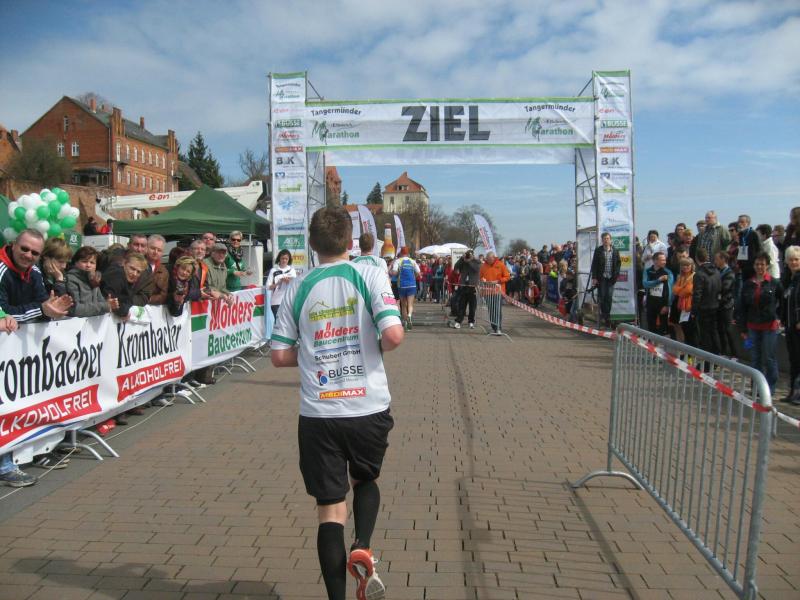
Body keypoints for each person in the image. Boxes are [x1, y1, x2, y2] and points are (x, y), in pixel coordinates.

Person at [271, 206, 403, 600]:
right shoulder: (370, 274)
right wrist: (368, 346)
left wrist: (315, 354)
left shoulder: (298, 286)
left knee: (329, 510)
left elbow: (279, 356)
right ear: (350, 241)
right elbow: (393, 335)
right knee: (365, 480)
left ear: (311, 244)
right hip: (367, 407)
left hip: (318, 413)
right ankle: (362, 544)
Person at [0, 229, 73, 322]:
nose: (28, 255)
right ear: (13, 245)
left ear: (40, 255)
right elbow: (2, 314)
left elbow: (44, 304)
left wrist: (50, 310)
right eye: (24, 249)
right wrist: (41, 310)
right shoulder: (1, 270)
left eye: (35, 253)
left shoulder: (35, 271)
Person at [738, 252, 783, 395]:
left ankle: (770, 389)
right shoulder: (748, 284)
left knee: (769, 358)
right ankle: (756, 388)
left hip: (769, 326)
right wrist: (743, 328)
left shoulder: (774, 283)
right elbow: (742, 307)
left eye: (762, 264)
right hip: (752, 327)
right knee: (755, 359)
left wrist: (779, 317)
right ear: (753, 266)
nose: (759, 267)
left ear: (767, 266)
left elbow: (783, 302)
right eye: (757, 264)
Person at [65, 246, 119, 317]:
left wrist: (109, 303)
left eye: (92, 262)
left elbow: (102, 303)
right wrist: (105, 305)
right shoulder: (71, 279)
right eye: (84, 261)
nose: (88, 265)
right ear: (76, 263)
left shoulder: (94, 279)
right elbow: (75, 309)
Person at [692, 248, 721, 357]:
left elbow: (697, 294)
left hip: (703, 308)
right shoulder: (717, 271)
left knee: (705, 335)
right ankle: (717, 356)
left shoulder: (699, 274)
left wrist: (694, 310)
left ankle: (708, 360)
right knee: (714, 332)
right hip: (715, 305)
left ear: (696, 259)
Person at [100, 252, 148, 319]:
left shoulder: (128, 280)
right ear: (124, 264)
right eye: (132, 268)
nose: (134, 274)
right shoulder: (117, 275)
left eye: (138, 272)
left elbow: (127, 300)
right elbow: (112, 301)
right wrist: (124, 312)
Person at [590, 232, 621, 328]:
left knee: (609, 297)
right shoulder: (598, 250)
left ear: (610, 240)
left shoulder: (615, 251)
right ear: (602, 240)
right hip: (602, 277)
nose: (606, 240)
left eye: (607, 238)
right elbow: (594, 264)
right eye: (604, 238)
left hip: (611, 278)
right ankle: (605, 316)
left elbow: (618, 264)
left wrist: (616, 275)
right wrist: (594, 277)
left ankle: (607, 316)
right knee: (602, 297)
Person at [782, 245, 800, 404]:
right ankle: (793, 392)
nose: (793, 262)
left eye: (796, 259)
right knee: (794, 361)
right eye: (791, 260)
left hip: (798, 326)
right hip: (790, 326)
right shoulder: (790, 280)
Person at [479, 251, 510, 335]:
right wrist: (482, 280)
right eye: (487, 259)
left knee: (497, 309)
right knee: (491, 310)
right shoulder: (483, 266)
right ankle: (494, 327)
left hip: (498, 291)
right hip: (488, 292)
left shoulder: (501, 265)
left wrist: (498, 281)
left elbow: (507, 276)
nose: (488, 261)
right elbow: (480, 276)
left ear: (493, 258)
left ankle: (498, 328)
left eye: (489, 259)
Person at [643, 252, 673, 336]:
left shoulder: (668, 272)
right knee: (651, 327)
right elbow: (645, 284)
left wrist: (667, 305)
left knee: (663, 328)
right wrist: (658, 281)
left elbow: (670, 290)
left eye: (665, 260)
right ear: (655, 261)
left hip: (662, 304)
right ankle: (651, 343)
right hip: (650, 303)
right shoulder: (648, 271)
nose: (664, 262)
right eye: (662, 260)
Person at [390, 247, 420, 330]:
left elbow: (394, 272)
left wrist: (392, 272)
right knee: (410, 304)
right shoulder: (412, 261)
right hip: (412, 285)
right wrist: (414, 277)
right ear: (408, 253)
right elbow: (418, 272)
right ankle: (409, 315)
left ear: (401, 253)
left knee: (403, 305)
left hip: (402, 285)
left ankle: (405, 322)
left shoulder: (398, 261)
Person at [714, 251, 738, 359]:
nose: (715, 261)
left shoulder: (729, 273)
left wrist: (714, 287)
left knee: (728, 329)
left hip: (727, 304)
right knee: (720, 329)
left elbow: (725, 287)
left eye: (717, 259)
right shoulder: (717, 271)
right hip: (718, 304)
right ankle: (723, 352)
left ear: (723, 259)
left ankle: (734, 354)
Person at [453, 249, 480, 329]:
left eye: (470, 255)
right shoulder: (463, 261)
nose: (468, 256)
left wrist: (470, 261)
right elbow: (456, 267)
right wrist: (462, 258)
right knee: (461, 305)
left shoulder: (477, 261)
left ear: (473, 255)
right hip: (463, 285)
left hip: (472, 286)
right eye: (468, 254)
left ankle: (471, 321)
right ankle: (458, 321)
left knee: (472, 306)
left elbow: (476, 269)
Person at [266, 249, 297, 318]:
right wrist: (278, 283)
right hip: (276, 301)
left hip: (288, 301)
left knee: (288, 322)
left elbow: (295, 285)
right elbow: (268, 287)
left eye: (286, 259)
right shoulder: (273, 270)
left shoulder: (292, 270)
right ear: (279, 258)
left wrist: (288, 281)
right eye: (282, 258)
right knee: (278, 322)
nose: (284, 260)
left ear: (289, 259)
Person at [672, 258, 696, 345]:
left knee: (690, 331)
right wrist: (682, 288)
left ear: (692, 266)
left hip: (690, 307)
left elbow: (688, 291)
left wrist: (680, 289)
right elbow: (674, 290)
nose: (685, 267)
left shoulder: (694, 276)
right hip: (682, 307)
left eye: (687, 265)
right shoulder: (680, 277)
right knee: (684, 328)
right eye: (683, 265)